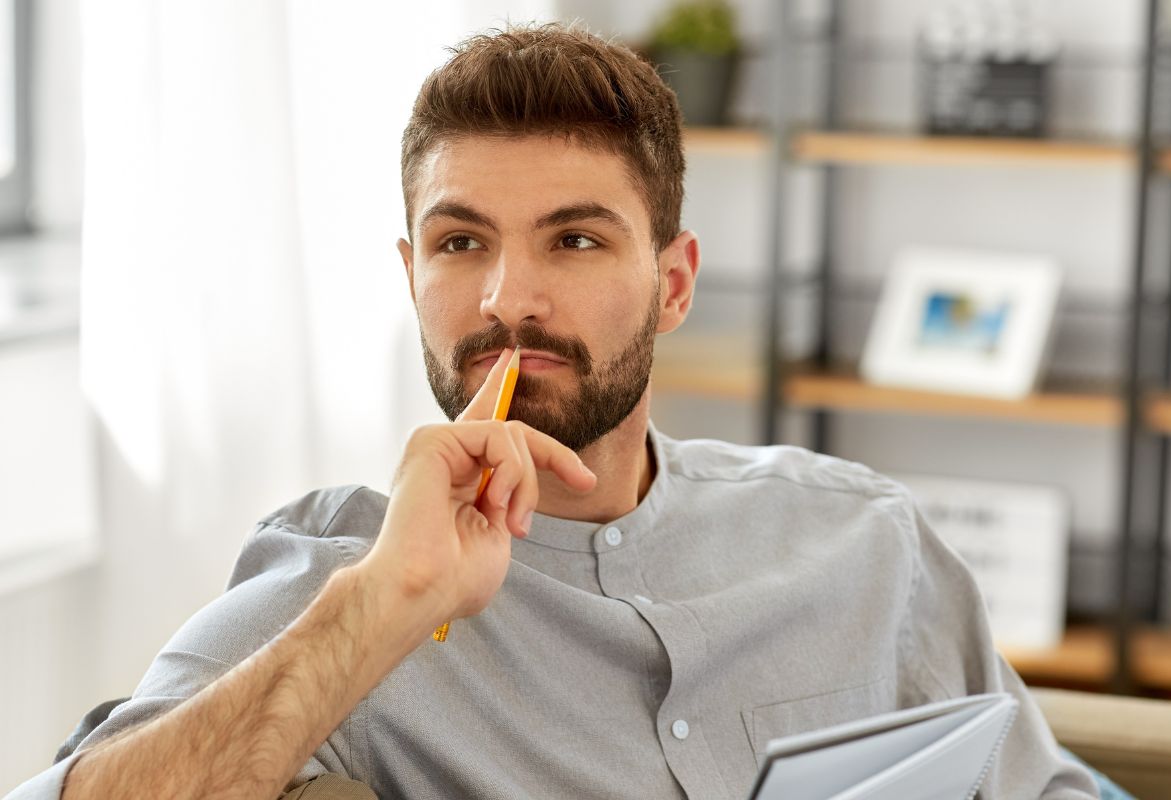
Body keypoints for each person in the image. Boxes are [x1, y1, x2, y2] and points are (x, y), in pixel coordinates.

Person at [9, 23, 1099, 800]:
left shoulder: (863, 540)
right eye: (460, 242)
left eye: (574, 240)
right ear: (411, 277)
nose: (506, 298)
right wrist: (383, 604)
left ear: (673, 285)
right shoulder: (340, 579)